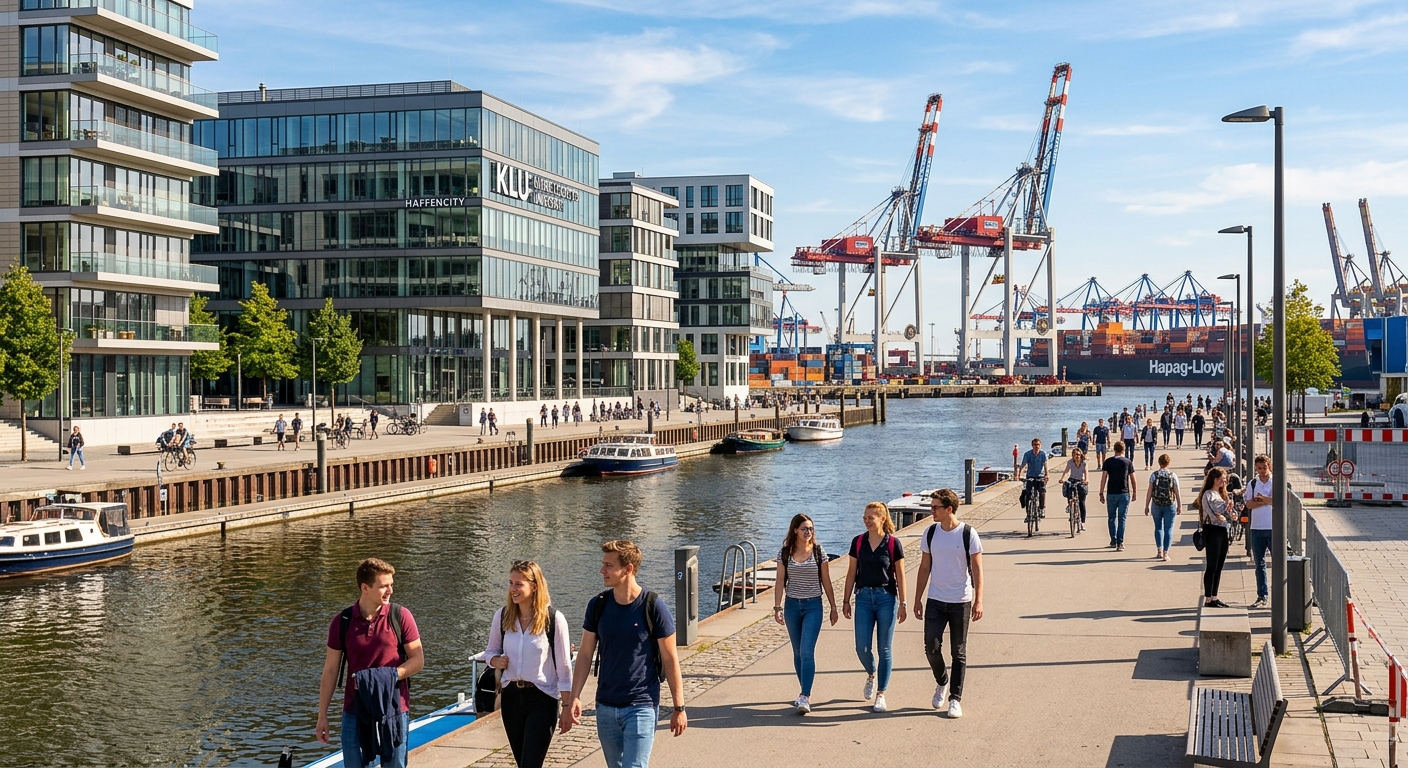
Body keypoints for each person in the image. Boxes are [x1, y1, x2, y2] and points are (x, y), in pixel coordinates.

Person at [561, 540, 686, 768]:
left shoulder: (653, 606)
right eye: (603, 564)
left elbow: (670, 659)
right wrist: (574, 697)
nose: (602, 570)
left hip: (641, 704)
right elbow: (585, 654)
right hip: (606, 706)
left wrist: (679, 708)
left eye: (608, 565)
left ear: (628, 569)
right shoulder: (597, 605)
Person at [316, 558, 425, 768]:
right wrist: (322, 715)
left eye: (391, 584)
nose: (390, 590)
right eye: (384, 586)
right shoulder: (342, 622)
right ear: (365, 588)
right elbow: (330, 670)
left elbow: (418, 660)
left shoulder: (400, 616)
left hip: (393, 709)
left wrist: (392, 675)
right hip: (354, 711)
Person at [485, 561, 572, 768]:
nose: (513, 589)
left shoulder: (554, 619)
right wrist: (495, 660)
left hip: (542, 698)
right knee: (522, 762)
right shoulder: (503, 616)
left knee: (530, 764)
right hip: (511, 698)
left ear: (534, 586)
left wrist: (567, 706)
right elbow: (490, 651)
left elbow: (564, 667)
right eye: (511, 583)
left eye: (519, 584)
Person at [914, 489, 984, 720]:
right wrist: (917, 599)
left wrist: (979, 600)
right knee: (931, 648)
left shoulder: (968, 534)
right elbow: (924, 567)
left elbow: (977, 569)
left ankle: (955, 699)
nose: (931, 511)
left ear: (949, 509)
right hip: (935, 599)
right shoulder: (931, 532)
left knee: (958, 652)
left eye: (935, 507)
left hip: (960, 601)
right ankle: (942, 681)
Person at [840, 502, 907, 713]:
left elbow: (900, 575)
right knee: (862, 647)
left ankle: (881, 693)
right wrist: (845, 600)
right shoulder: (858, 542)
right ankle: (871, 672)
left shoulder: (893, 544)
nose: (867, 521)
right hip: (863, 598)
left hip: (886, 597)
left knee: (884, 648)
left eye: (872, 517)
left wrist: (903, 603)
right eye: (865, 517)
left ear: (882, 519)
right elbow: (851, 572)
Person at [773, 514, 839, 714]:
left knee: (807, 651)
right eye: (804, 529)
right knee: (797, 653)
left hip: (813, 606)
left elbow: (826, 580)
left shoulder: (818, 552)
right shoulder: (785, 553)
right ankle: (804, 690)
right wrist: (777, 607)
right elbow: (779, 582)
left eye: (810, 528)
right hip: (792, 605)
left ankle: (805, 696)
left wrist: (834, 607)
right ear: (795, 530)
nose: (808, 532)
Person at [1198, 468, 1235, 608]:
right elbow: (1214, 509)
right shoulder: (1208, 494)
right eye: (1221, 478)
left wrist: (1232, 514)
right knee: (1212, 565)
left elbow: (1224, 511)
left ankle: (1215, 596)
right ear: (1214, 479)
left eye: (1225, 479)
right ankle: (1208, 598)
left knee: (1219, 565)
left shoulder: (1220, 494)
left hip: (1221, 530)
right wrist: (1226, 507)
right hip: (1212, 530)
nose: (1224, 481)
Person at [1243, 455, 1275, 609]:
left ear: (1269, 466)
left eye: (1264, 467)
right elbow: (1249, 504)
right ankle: (1262, 595)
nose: (1262, 471)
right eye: (1259, 468)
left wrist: (1262, 499)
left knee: (1279, 564)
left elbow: (1279, 501)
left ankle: (1281, 594)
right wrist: (1265, 500)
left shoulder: (1276, 481)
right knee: (1259, 564)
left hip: (1273, 527)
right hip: (1256, 528)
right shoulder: (1253, 483)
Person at [1098, 441, 1137, 552]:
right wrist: (1134, 492)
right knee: (1122, 518)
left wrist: (1101, 492)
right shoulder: (1127, 462)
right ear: (1123, 450)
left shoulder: (1108, 462)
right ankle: (1120, 542)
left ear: (1114, 449)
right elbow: (1133, 478)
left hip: (1111, 493)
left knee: (1111, 518)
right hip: (1124, 493)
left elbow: (1104, 478)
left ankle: (1113, 540)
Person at [1144, 453, 1181, 561]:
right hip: (1170, 504)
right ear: (1168, 463)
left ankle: (1159, 550)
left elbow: (1149, 491)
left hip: (1156, 503)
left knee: (1158, 527)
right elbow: (1176, 491)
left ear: (1159, 462)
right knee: (1168, 529)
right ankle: (1166, 553)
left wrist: (1146, 505)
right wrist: (1179, 505)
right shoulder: (1173, 475)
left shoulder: (1154, 475)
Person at [1057, 447, 1089, 531]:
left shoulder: (1084, 463)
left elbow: (1086, 472)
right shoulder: (1070, 462)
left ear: (1081, 455)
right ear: (1073, 455)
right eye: (1075, 454)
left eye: (1078, 454)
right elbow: (1066, 471)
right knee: (1069, 491)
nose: (1077, 456)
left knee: (1082, 502)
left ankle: (1082, 522)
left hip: (1080, 481)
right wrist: (1062, 478)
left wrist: (1086, 480)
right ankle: (1070, 506)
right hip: (1072, 479)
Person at [1017, 438, 1049, 518]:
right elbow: (1023, 465)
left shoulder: (1043, 454)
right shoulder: (1027, 454)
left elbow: (1045, 465)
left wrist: (1046, 475)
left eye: (1038, 445)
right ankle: (1028, 514)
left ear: (1040, 445)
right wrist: (1020, 475)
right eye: (1035, 445)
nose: (1036, 446)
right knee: (1028, 494)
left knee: (1042, 492)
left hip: (1040, 476)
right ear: (1032, 445)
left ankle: (1041, 508)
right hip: (1030, 476)